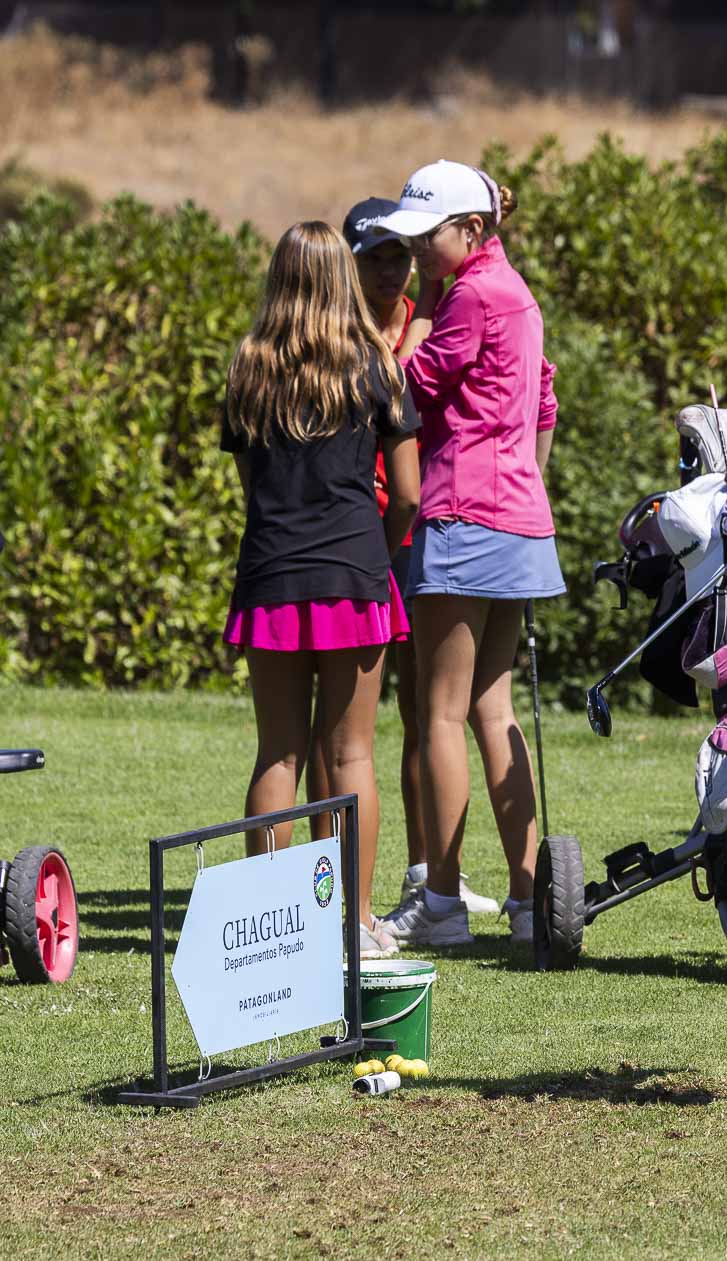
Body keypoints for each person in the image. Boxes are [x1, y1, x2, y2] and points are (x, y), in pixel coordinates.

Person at [373, 160, 563, 949]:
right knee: (492, 708)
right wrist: (524, 486)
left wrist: (416, 312)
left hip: (461, 515)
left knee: (441, 711)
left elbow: (398, 386)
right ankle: (527, 902)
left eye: (428, 235)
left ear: (472, 229)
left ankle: (442, 902)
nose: (417, 250)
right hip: (518, 521)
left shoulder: (472, 296)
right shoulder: (517, 295)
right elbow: (545, 405)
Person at [221, 220, 420, 962]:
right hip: (355, 576)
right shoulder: (376, 366)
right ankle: (354, 924)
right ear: (342, 277)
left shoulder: (248, 368)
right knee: (352, 755)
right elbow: (408, 493)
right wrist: (376, 553)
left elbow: (251, 487)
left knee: (277, 755)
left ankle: (274, 931)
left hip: (271, 576)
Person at [317, 196, 503, 921]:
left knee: (425, 705)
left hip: (418, 525)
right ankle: (328, 886)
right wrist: (426, 303)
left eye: (401, 254)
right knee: (339, 725)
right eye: (375, 257)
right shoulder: (337, 332)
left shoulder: (429, 316)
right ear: (349, 262)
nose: (389, 269)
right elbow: (394, 385)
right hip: (357, 535)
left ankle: (426, 875)